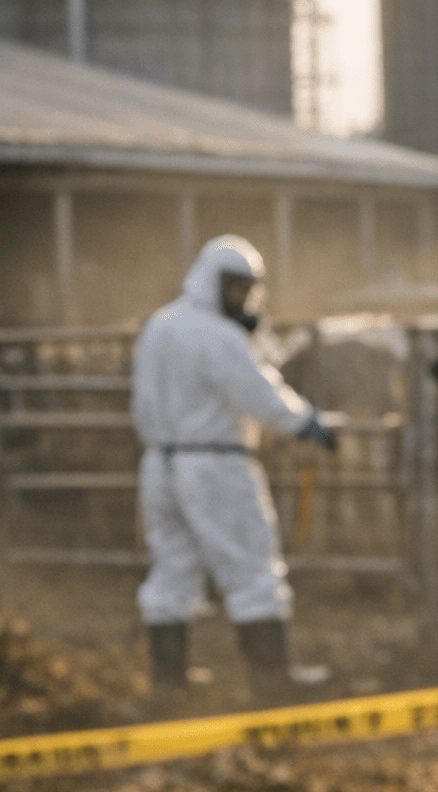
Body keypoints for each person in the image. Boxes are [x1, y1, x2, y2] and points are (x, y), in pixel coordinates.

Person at [132, 234, 337, 700]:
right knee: (251, 565)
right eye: (234, 288)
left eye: (247, 290)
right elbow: (259, 394)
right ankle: (271, 677)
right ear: (210, 280)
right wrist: (306, 423)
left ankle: (169, 679)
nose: (241, 299)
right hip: (215, 463)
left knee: (173, 566)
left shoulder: (160, 325)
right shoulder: (219, 335)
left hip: (160, 462)